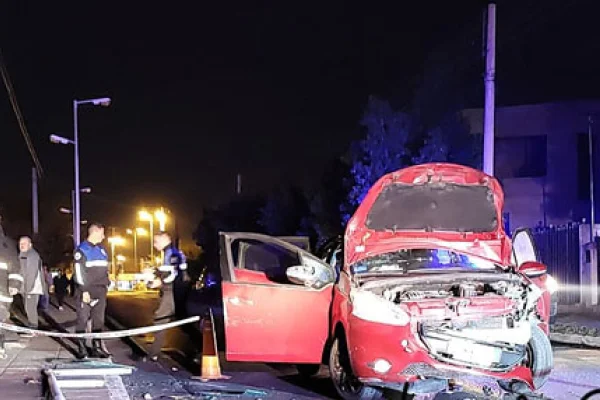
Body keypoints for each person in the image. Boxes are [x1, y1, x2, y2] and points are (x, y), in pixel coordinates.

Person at [148, 231, 189, 361]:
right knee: (183, 321)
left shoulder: (172, 253)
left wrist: (160, 281)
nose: (154, 245)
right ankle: (201, 348)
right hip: (174, 290)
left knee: (160, 319)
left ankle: (153, 354)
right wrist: (156, 272)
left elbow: (174, 273)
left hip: (171, 291)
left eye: (156, 241)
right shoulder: (171, 252)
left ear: (164, 239)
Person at [73, 222, 110, 359]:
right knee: (82, 320)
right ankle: (82, 348)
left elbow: (105, 270)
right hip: (86, 291)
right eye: (102, 233)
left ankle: (97, 347)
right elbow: (79, 273)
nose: (104, 236)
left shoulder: (101, 250)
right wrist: (84, 290)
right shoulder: (81, 250)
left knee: (98, 321)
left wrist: (107, 284)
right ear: (95, 232)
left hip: (100, 290)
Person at [0, 213, 22, 356]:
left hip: (2, 290)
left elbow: (15, 266)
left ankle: (0, 345)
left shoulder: (6, 244)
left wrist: (14, 284)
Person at [17, 236, 44, 329]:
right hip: (27, 287)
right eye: (20, 243)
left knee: (30, 308)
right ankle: (32, 325)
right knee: (28, 307)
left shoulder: (32, 255)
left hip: (32, 288)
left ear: (30, 245)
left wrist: (27, 289)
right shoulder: (23, 254)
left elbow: (31, 273)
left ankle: (33, 327)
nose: (21, 245)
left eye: (24, 243)